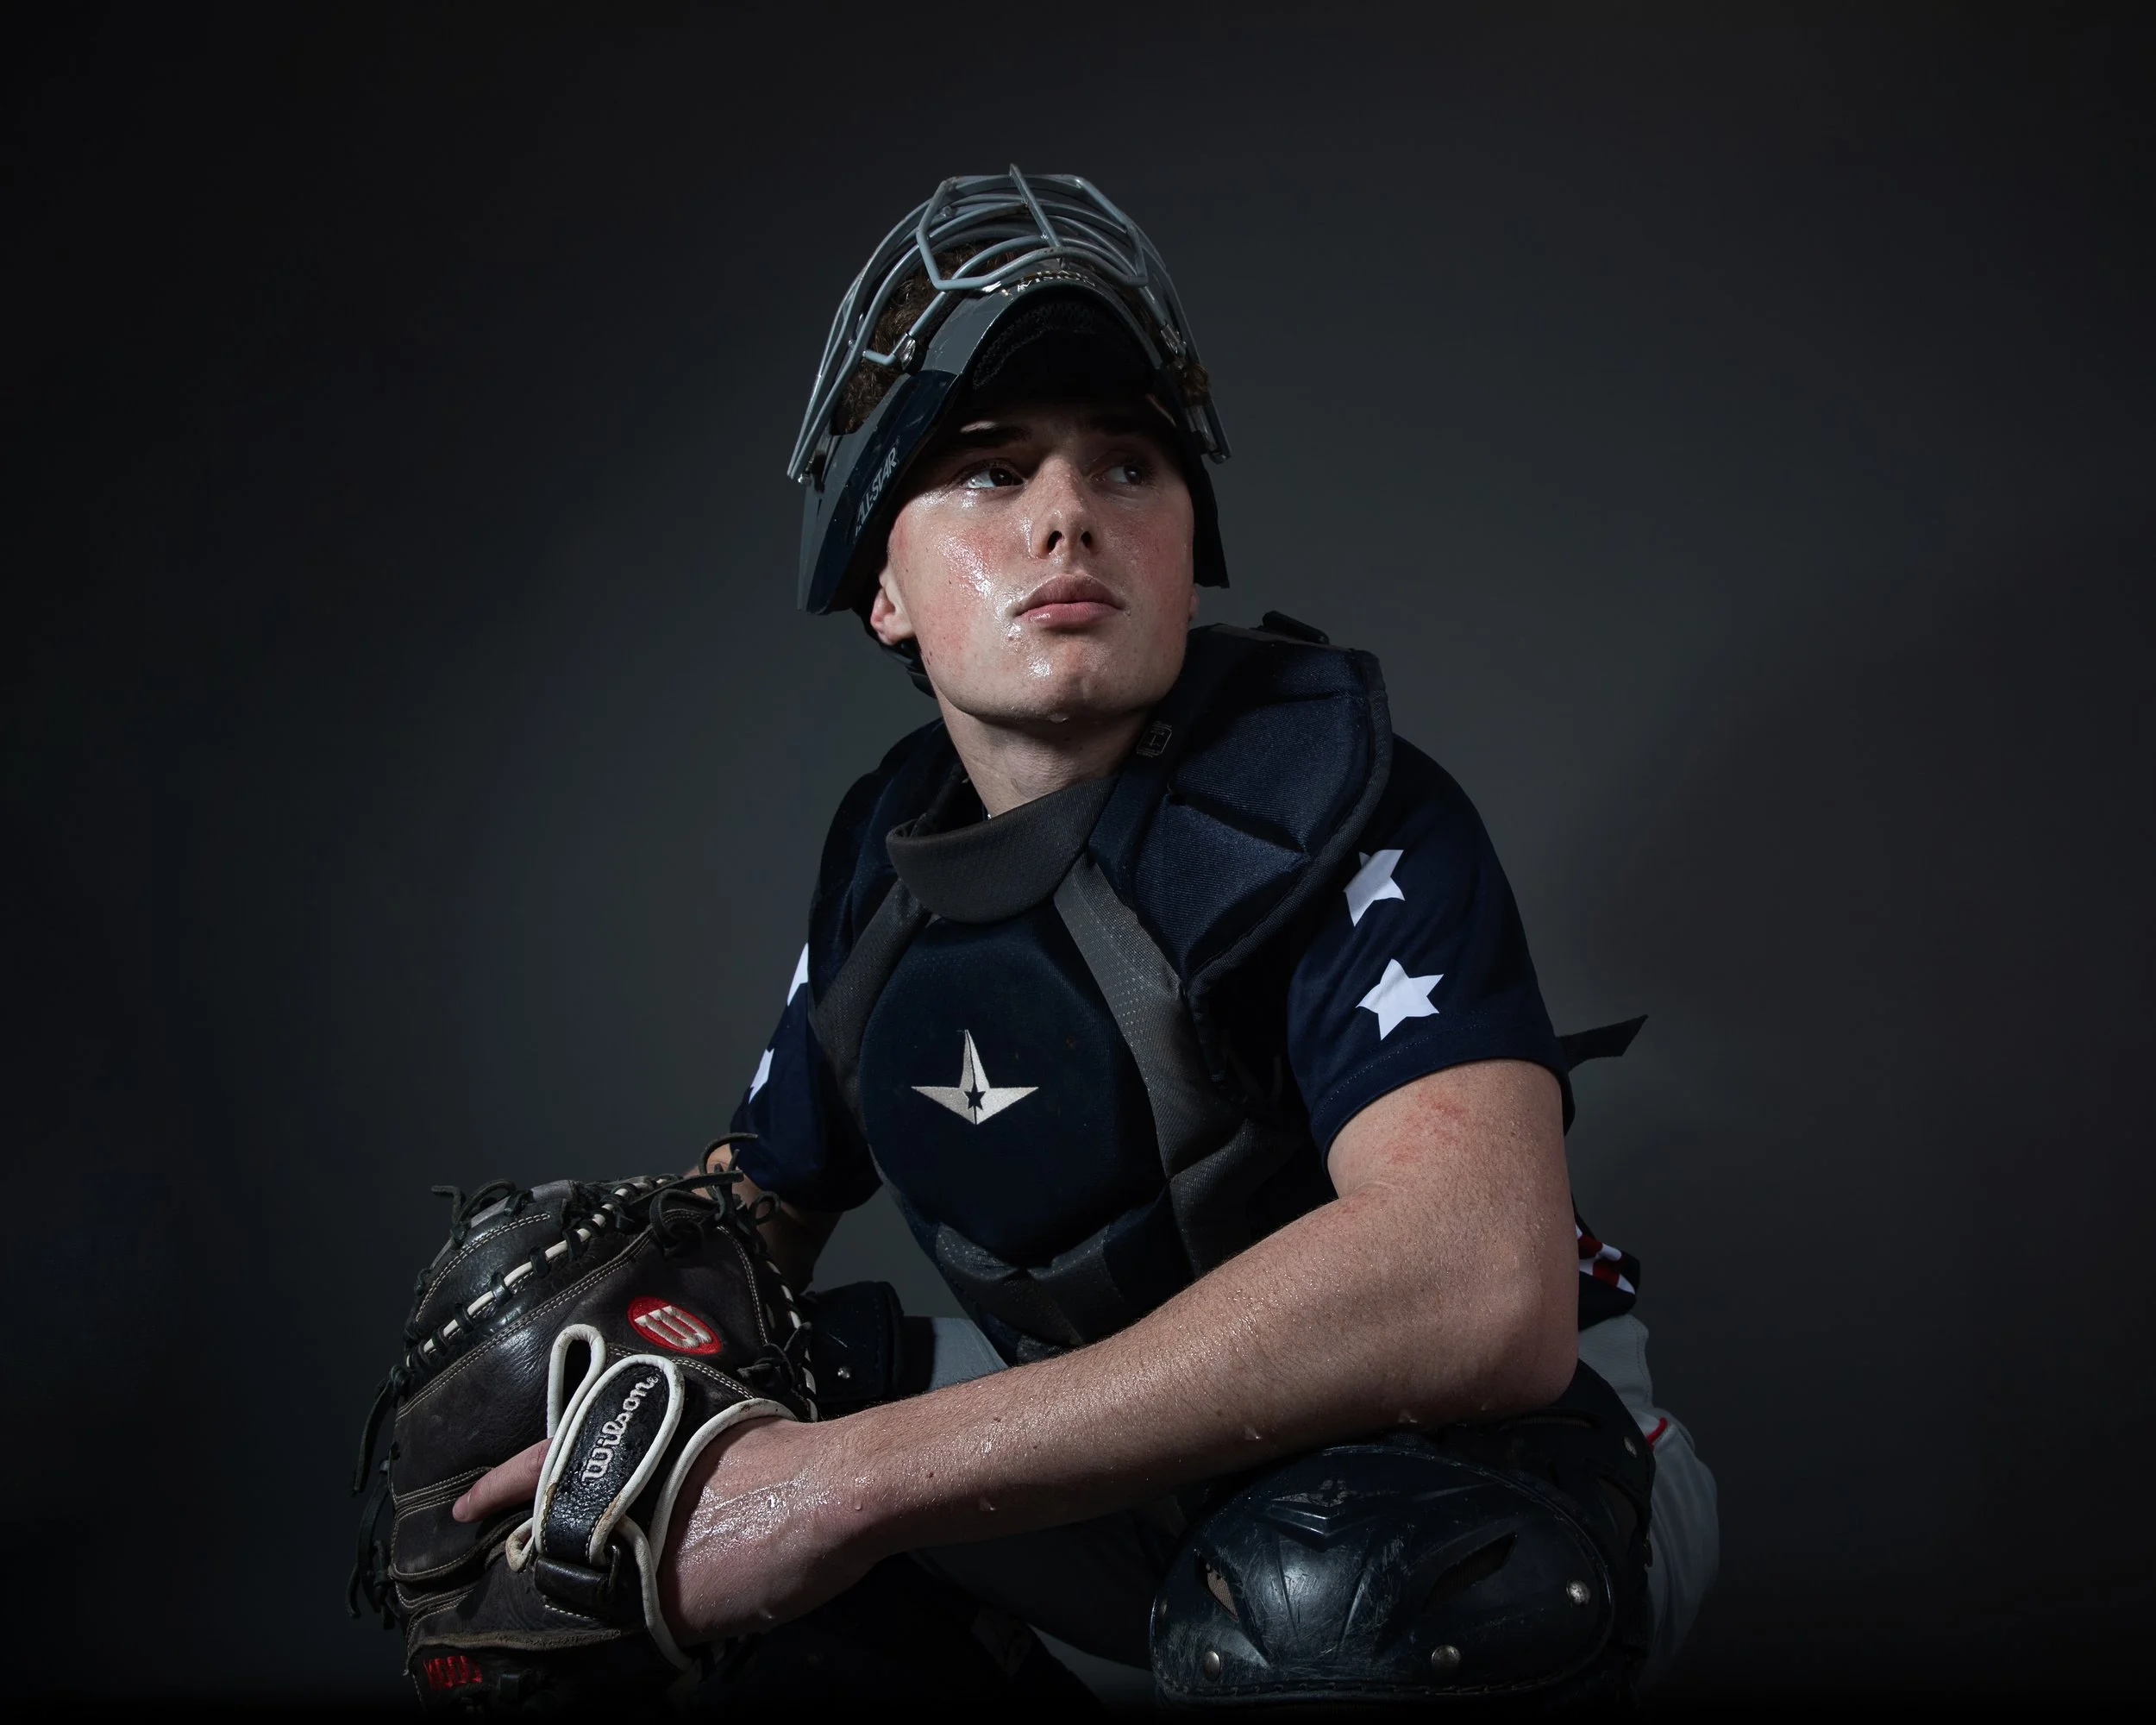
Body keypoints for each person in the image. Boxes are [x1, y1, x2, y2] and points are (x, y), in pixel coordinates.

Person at [454, 169, 1717, 1707]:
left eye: (1127, 466)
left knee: (1325, 1603)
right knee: (627, 1451)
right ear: (881, 590)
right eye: (987, 474)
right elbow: (746, 1225)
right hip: (1142, 1473)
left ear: (1189, 545)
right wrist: (580, 1379)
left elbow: (1478, 1292)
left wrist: (842, 1481)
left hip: (1504, 1478)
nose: (1066, 513)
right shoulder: (887, 855)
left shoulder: (1333, 804)